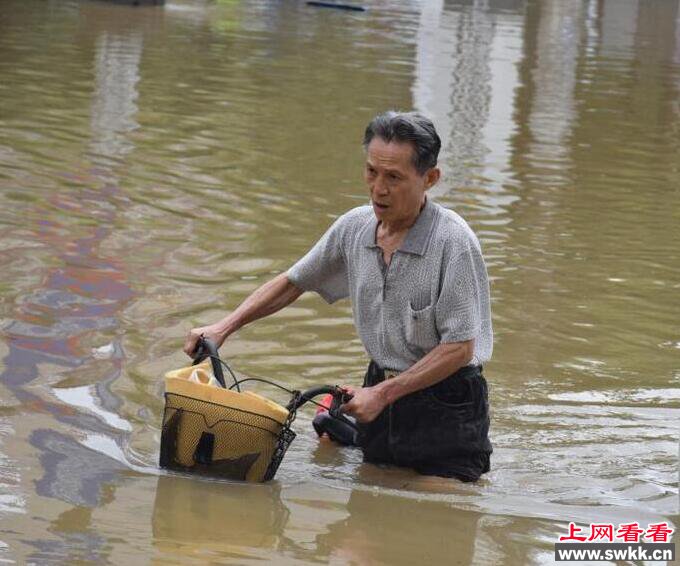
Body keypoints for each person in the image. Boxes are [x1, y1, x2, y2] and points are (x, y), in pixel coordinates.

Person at [184, 111, 493, 482]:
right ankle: (341, 429)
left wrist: (383, 393)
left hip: (447, 406)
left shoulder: (454, 243)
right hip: (381, 392)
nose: (379, 188)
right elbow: (293, 281)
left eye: (394, 177)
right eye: (371, 172)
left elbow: (460, 348)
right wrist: (224, 327)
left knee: (436, 511)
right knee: (365, 515)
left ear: (430, 179)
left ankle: (346, 430)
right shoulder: (354, 228)